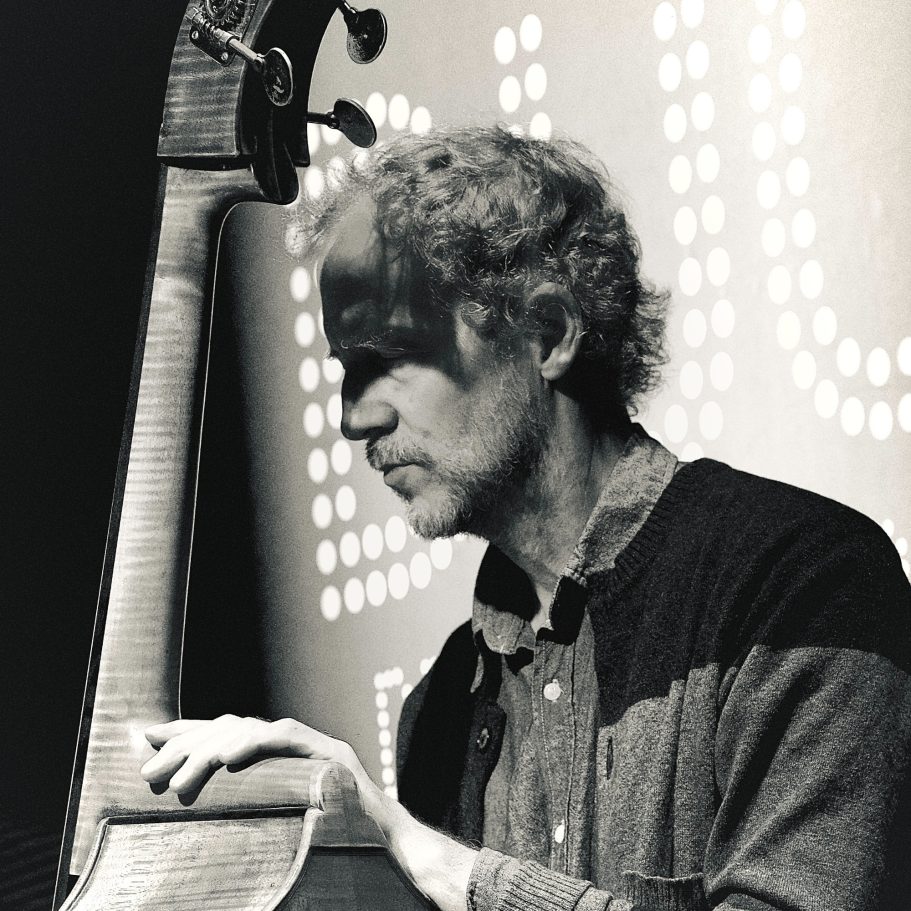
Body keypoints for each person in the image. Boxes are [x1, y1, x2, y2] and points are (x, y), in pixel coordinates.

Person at [140, 126, 911, 911]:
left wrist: (446, 865)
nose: (352, 418)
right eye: (346, 370)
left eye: (388, 356)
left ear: (547, 332)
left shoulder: (808, 586)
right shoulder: (439, 709)